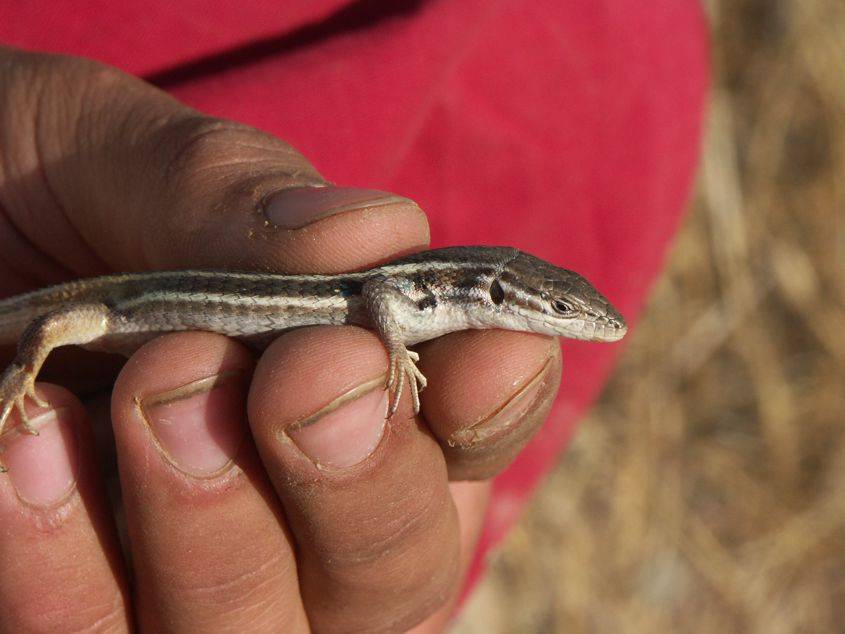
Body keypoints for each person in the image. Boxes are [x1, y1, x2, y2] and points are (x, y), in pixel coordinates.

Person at [0, 2, 708, 631]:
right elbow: (376, 299)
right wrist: (397, 353)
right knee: (64, 327)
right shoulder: (407, 291)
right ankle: (17, 379)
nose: (574, 325)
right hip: (118, 300)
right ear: (494, 292)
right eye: (558, 311)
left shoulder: (632, 63)